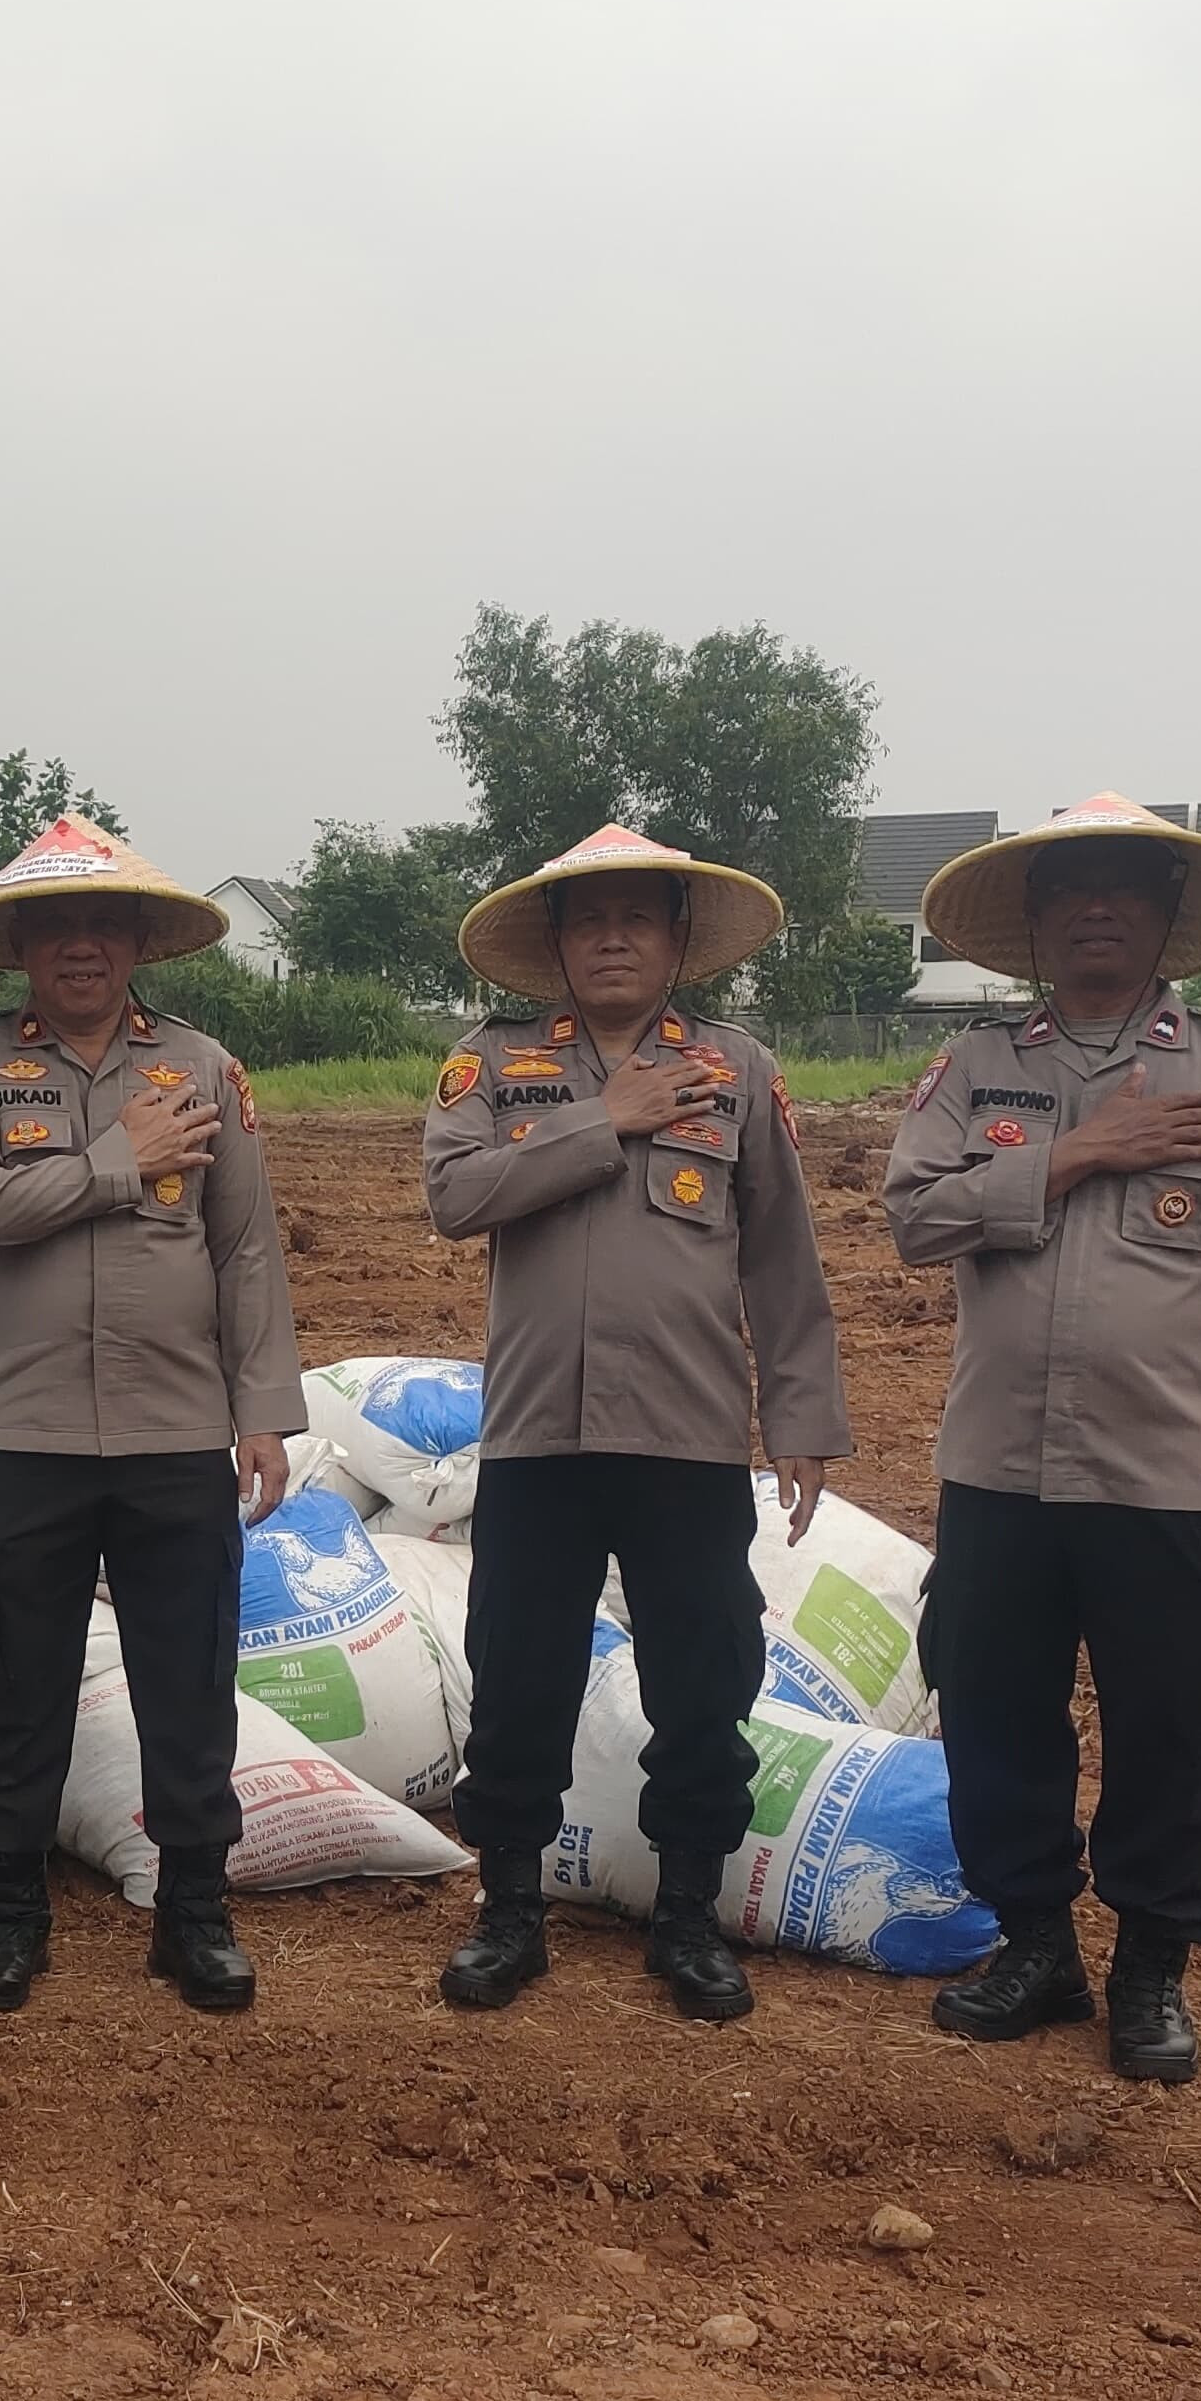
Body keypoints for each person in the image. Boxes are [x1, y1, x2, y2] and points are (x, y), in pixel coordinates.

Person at [886, 795, 1201, 2080]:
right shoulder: (976, 1066)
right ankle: (1034, 1944)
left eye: (1124, 886)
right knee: (994, 1714)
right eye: (1070, 888)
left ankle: (1151, 1966)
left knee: (1174, 1728)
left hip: (1165, 1470)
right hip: (996, 1466)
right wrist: (1078, 1153)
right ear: (1035, 919)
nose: (1096, 908)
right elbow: (914, 1220)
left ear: (1166, 914)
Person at [424, 827, 850, 2023]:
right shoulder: (492, 1061)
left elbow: (781, 1258)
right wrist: (599, 1118)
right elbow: (453, 1196)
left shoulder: (736, 1067)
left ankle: (687, 1916)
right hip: (537, 1436)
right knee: (517, 1676)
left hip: (687, 1434)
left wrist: (801, 1418)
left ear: (675, 940)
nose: (612, 939)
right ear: (557, 942)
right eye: (588, 919)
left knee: (703, 1679)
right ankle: (509, 1909)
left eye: (637, 918)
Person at [0, 818, 305, 2014]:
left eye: (103, 926)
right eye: (55, 928)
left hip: (175, 1433)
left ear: (138, 942)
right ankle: (11, 1913)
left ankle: (194, 1912)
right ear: (19, 946)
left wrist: (262, 1412)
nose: (80, 947)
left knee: (186, 1687)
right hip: (24, 1436)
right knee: (15, 1687)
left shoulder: (201, 1066)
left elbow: (243, 1249)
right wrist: (117, 1156)